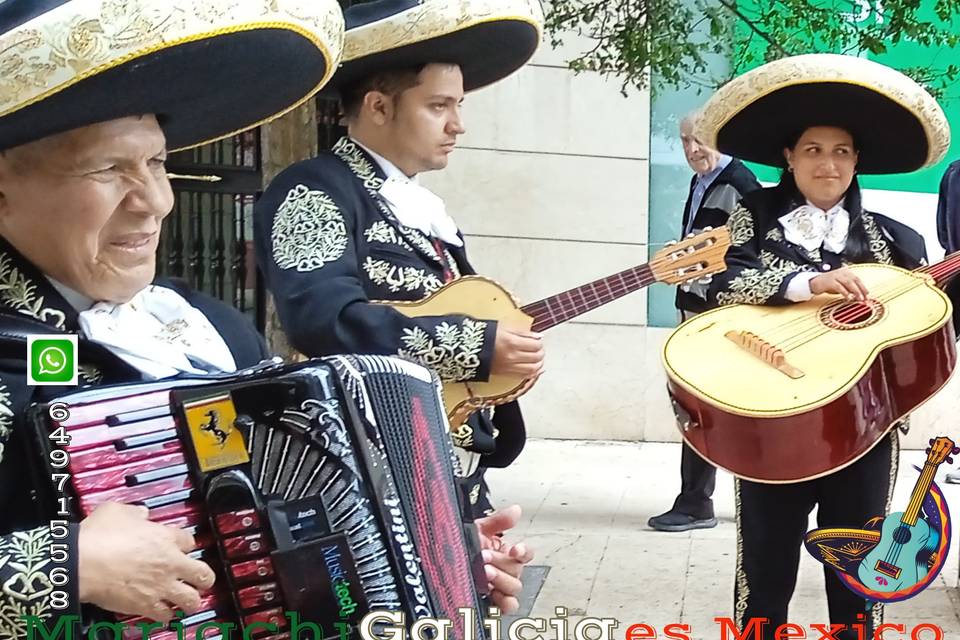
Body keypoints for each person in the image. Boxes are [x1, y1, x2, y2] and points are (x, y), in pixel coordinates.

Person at [0, 2, 530, 637]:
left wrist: (421, 551)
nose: (155, 202)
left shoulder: (213, 328)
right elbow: (324, 318)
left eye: (158, 163)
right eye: (109, 169)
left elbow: (276, 507)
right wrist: (67, 565)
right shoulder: (316, 189)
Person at [255, 0, 546, 519]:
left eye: (459, 106)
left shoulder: (423, 210)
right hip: (369, 474)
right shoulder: (312, 189)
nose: (458, 125)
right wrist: (476, 345)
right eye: (439, 106)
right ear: (379, 107)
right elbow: (324, 321)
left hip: (446, 470)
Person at [695, 53, 950, 639]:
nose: (827, 163)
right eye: (813, 149)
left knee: (862, 570)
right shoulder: (747, 218)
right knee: (765, 567)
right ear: (788, 156)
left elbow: (927, 327)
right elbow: (714, 283)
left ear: (857, 160)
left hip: (865, 428)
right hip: (769, 422)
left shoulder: (896, 242)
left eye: (841, 151)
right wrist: (804, 285)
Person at [648, 113, 760, 532]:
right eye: (684, 141)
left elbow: (748, 257)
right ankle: (698, 499)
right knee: (694, 405)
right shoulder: (705, 180)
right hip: (693, 310)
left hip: (717, 318)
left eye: (699, 139)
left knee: (706, 407)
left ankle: (701, 500)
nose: (692, 149)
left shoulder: (741, 186)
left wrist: (706, 280)